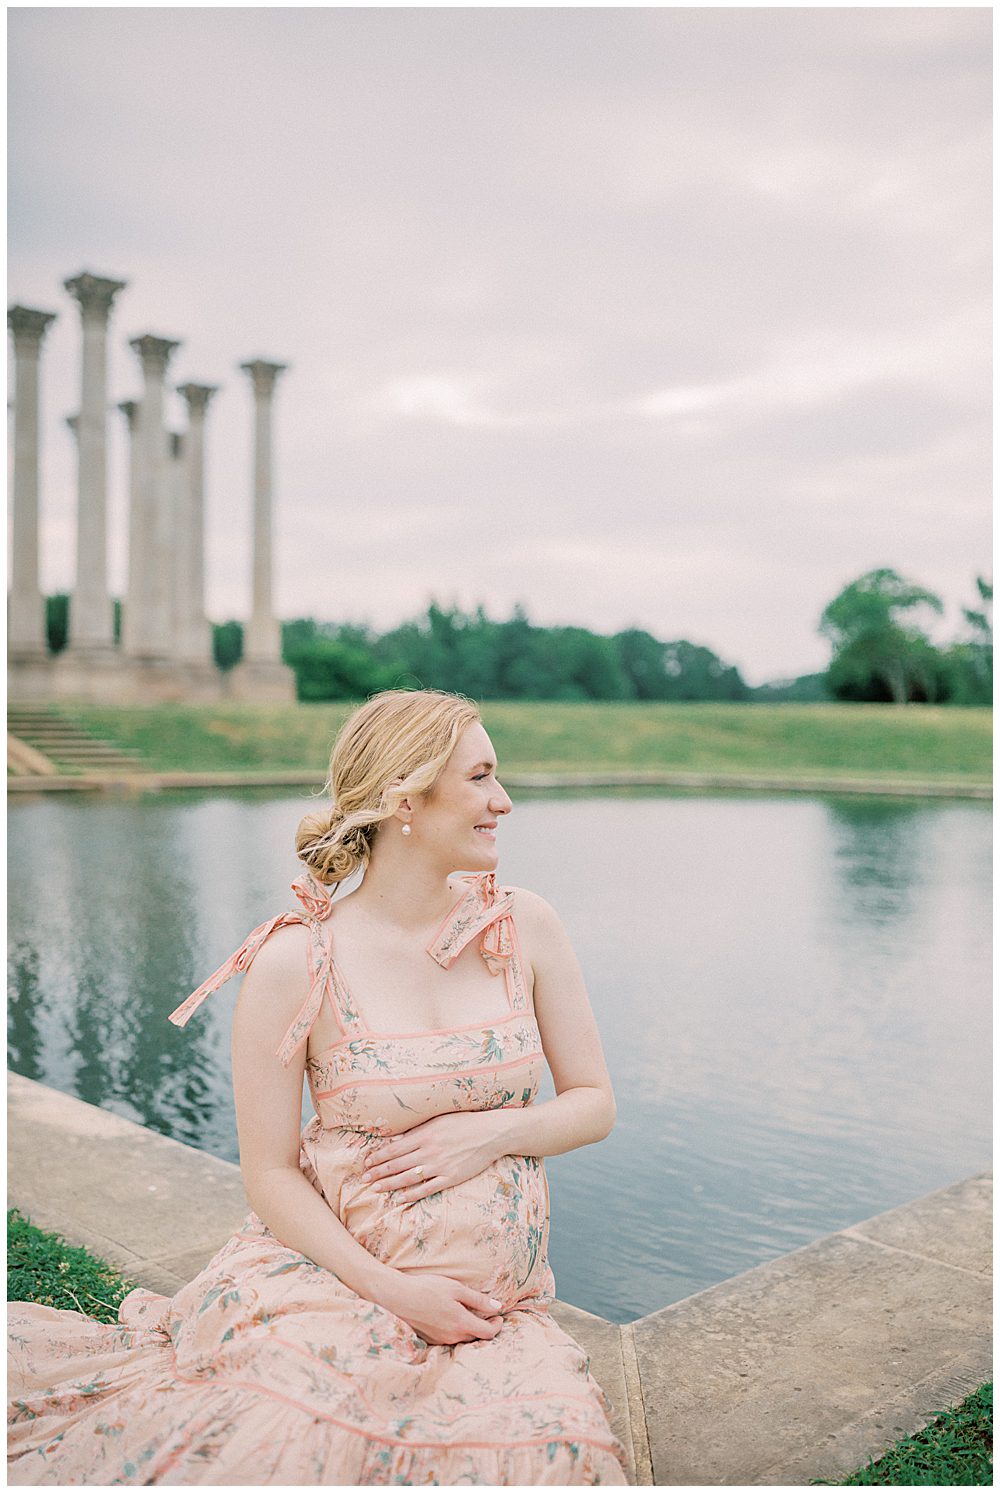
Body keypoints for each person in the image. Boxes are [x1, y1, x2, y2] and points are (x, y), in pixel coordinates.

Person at [8, 688, 628, 1485]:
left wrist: (495, 1130)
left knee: (559, 1456)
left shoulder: (524, 924)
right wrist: (394, 1290)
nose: (502, 801)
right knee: (282, 1443)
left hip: (490, 1315)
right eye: (480, 777)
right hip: (335, 1283)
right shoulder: (296, 960)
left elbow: (594, 1103)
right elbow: (268, 1173)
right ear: (407, 797)